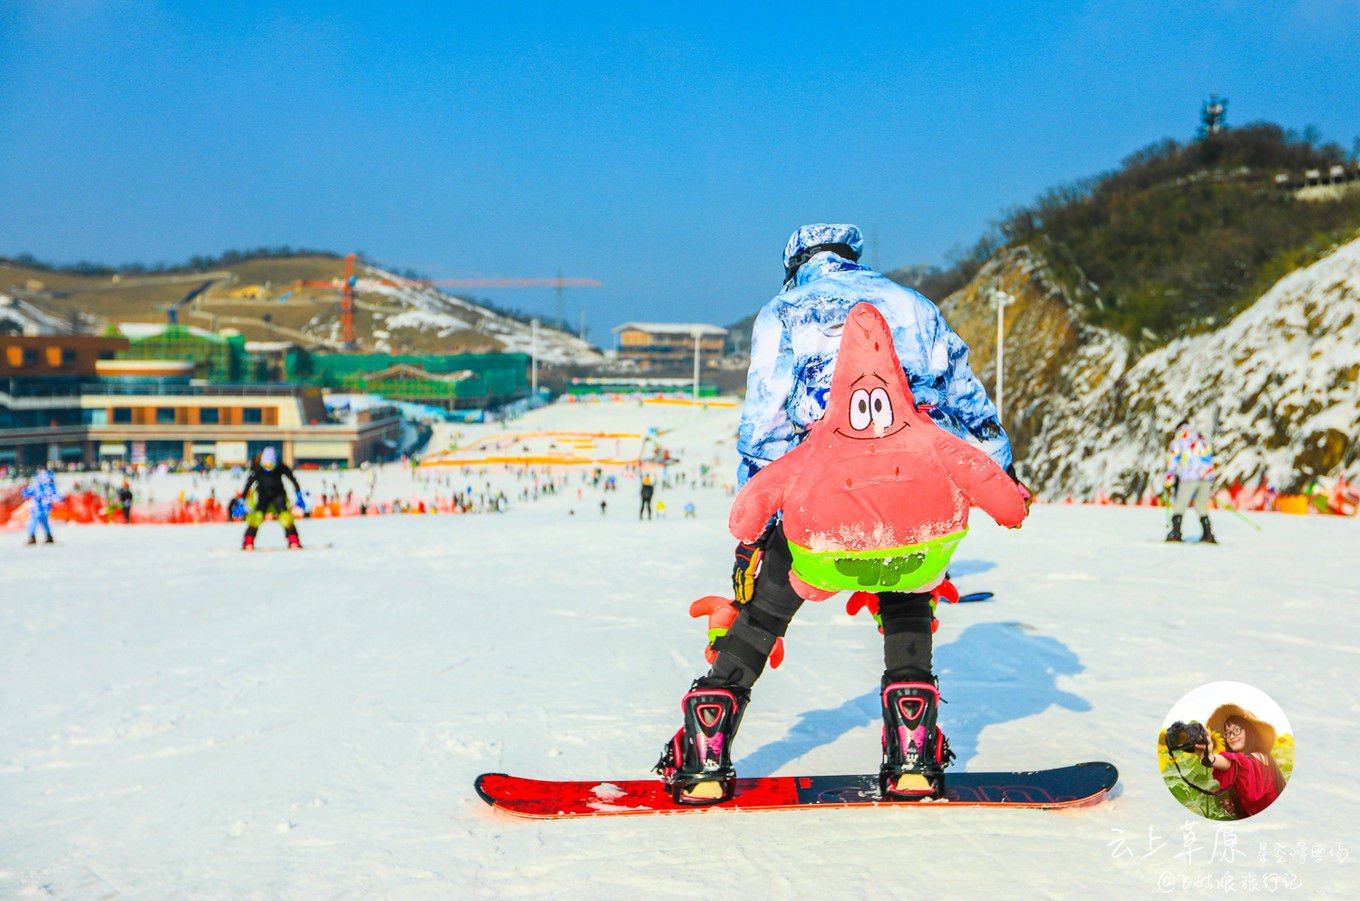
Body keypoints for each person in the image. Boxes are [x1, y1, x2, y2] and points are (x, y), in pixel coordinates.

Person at [655, 223, 1026, 804]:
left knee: (760, 615)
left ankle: (706, 748)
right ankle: (912, 755)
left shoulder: (782, 313)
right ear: (853, 257)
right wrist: (998, 475)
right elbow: (970, 406)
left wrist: (756, 535)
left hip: (823, 506)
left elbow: (765, 429)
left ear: (793, 265)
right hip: (918, 502)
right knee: (908, 591)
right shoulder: (914, 305)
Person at [1193, 703, 1285, 818]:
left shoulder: (1259, 757)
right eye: (1227, 733)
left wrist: (1210, 757)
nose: (1231, 736)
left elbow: (1235, 763)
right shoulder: (1245, 770)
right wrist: (1238, 805)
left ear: (1250, 731)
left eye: (1236, 730)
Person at [239, 447, 304, 549]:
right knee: (256, 517)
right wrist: (242, 498)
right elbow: (248, 484)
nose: (268, 468)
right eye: (266, 465)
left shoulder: (281, 468)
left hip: (278, 496)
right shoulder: (257, 469)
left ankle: (293, 540)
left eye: (271, 465)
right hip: (263, 496)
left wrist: (298, 494)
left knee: (285, 517)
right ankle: (248, 541)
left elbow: (293, 479)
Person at [1166, 419, 1216, 543]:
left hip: (1189, 476)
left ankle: (1176, 532)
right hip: (1206, 476)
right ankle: (1207, 533)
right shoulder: (1200, 439)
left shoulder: (1179, 440)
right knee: (1200, 504)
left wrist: (1168, 481)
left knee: (1180, 504)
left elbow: (1173, 460)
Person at [21, 469, 62, 545]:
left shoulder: (36, 486)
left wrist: (25, 488)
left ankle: (32, 537)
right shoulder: (50, 486)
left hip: (36, 508)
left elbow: (25, 494)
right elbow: (56, 496)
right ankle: (49, 537)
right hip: (46, 508)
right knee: (45, 522)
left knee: (32, 523)